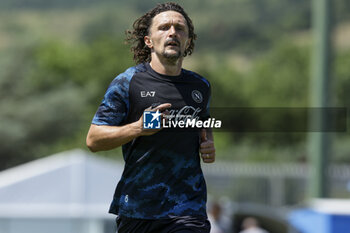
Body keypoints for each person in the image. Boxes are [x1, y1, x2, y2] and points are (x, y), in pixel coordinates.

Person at [86, 2, 216, 233]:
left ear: (188, 40)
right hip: (138, 208)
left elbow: (203, 123)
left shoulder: (200, 86)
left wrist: (208, 143)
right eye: (164, 27)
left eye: (179, 28)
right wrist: (138, 128)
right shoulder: (128, 82)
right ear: (149, 41)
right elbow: (94, 140)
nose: (172, 32)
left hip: (187, 208)